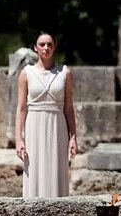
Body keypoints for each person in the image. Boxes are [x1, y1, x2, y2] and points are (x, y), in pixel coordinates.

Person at [16, 33, 77, 197]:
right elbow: (21, 108)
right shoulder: (26, 73)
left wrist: (73, 137)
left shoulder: (65, 73)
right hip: (34, 125)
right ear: (35, 48)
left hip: (57, 126)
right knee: (35, 167)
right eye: (42, 44)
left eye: (49, 44)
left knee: (56, 167)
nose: (46, 48)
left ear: (54, 47)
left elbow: (69, 108)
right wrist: (18, 139)